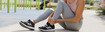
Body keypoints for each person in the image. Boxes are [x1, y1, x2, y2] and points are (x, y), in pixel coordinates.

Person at [19, 0, 85, 31]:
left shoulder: (81, 1)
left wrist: (57, 20)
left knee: (61, 2)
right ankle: (32, 23)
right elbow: (58, 9)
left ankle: (50, 25)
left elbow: (76, 19)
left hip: (76, 25)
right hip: (67, 25)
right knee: (51, 10)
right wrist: (51, 15)